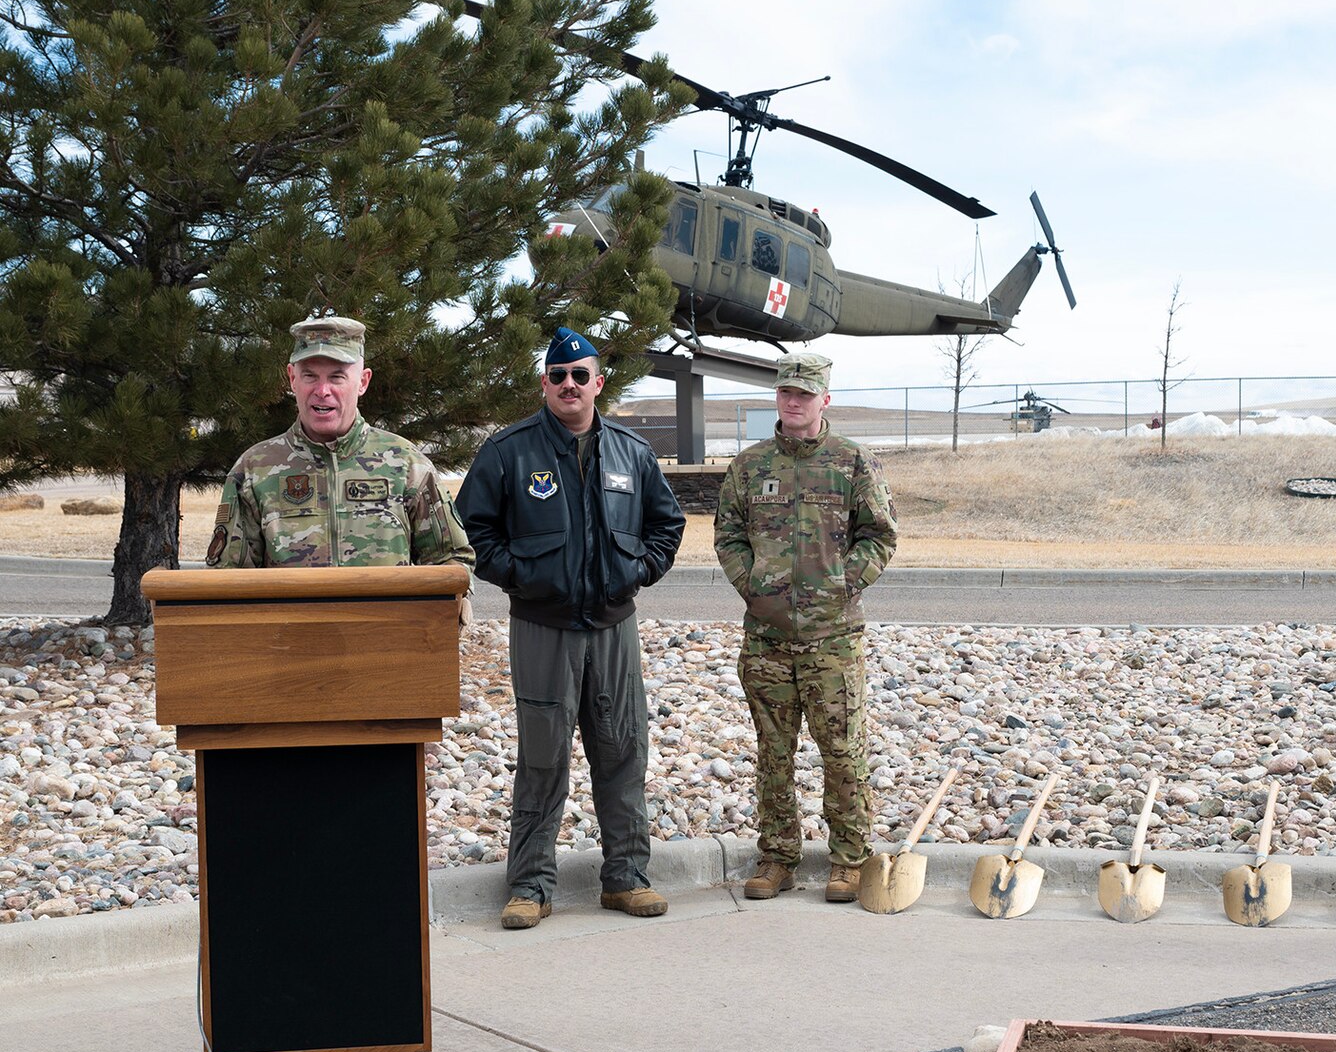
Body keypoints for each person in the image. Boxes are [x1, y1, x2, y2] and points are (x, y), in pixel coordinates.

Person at [455, 328, 685, 929]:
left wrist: (635, 571)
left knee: (622, 750)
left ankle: (627, 877)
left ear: (598, 383)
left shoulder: (633, 452)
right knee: (542, 755)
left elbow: (668, 524)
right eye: (558, 376)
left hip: (613, 627)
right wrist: (523, 578)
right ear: (544, 383)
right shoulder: (509, 452)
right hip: (542, 628)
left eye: (580, 375)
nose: (569, 385)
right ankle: (531, 886)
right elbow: (472, 530)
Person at [715, 351, 898, 903]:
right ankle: (777, 856)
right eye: (785, 393)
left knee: (842, 750)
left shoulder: (852, 462)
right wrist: (753, 587)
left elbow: (880, 535)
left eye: (804, 394)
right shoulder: (750, 466)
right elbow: (728, 537)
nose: (793, 402)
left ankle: (849, 858)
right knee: (773, 751)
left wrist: (845, 582)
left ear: (825, 399)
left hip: (833, 640)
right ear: (778, 397)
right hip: (767, 640)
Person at [207, 315, 474, 571]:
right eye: (310, 375)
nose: (322, 391)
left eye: (337, 377)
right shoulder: (254, 469)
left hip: (384, 620)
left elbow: (451, 561)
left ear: (363, 381)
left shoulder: (406, 463)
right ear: (292, 379)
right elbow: (229, 579)